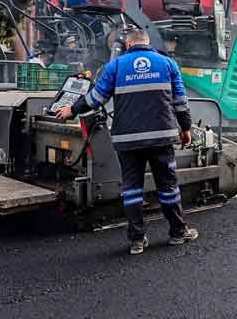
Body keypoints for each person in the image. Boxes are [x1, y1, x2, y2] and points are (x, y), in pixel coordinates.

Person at [57, 28, 198, 254]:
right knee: (168, 186)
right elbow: (181, 102)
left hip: (127, 141)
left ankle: (137, 241)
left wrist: (71, 110)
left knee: (132, 189)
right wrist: (186, 128)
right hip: (161, 138)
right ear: (147, 43)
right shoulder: (167, 64)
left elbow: (96, 98)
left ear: (128, 45)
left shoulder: (116, 66)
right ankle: (178, 233)